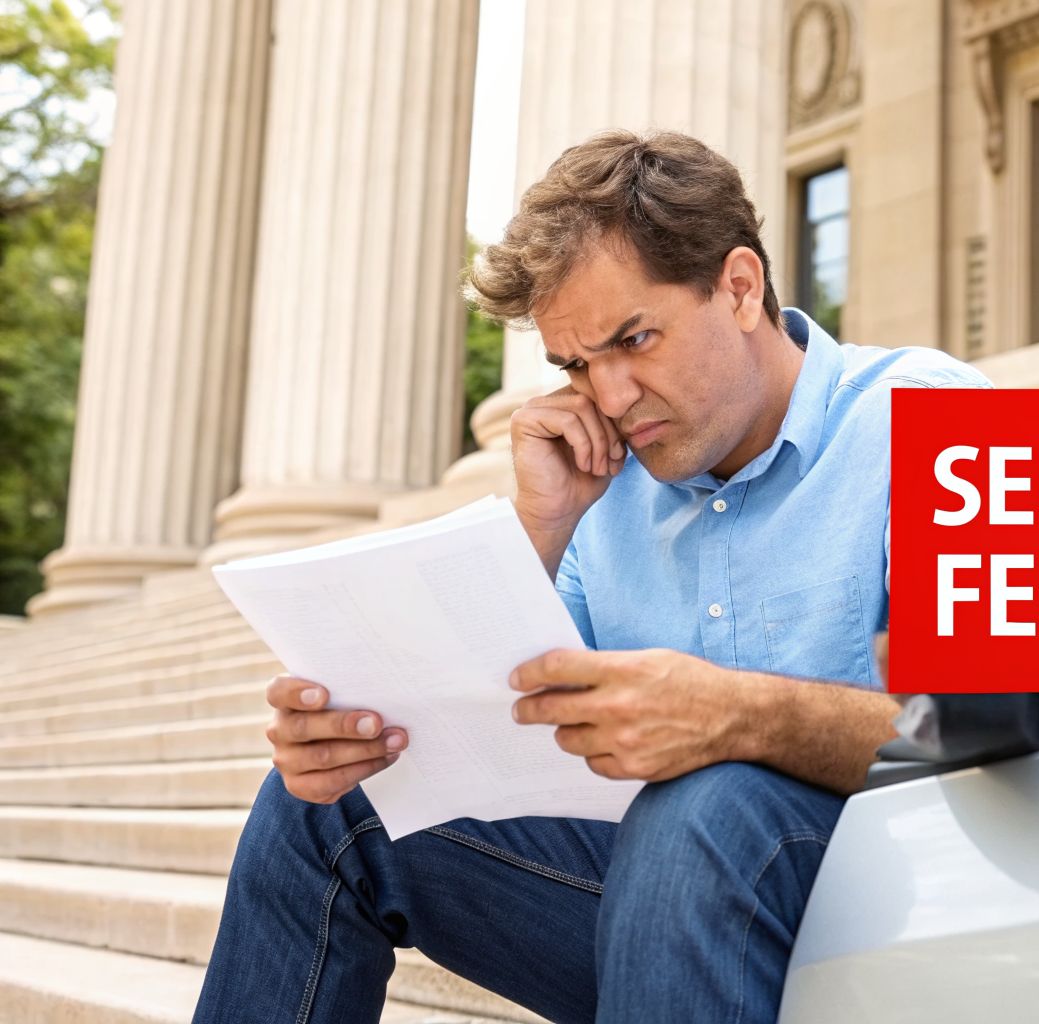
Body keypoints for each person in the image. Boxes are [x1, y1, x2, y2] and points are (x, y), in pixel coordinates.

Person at [193, 129, 990, 1024]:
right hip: (669, 903)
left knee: (706, 800)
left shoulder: (932, 413)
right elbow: (509, 736)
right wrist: (538, 531)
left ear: (739, 287)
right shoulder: (605, 486)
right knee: (330, 804)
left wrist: (735, 715)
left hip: (905, 899)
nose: (608, 398)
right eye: (576, 364)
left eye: (634, 340)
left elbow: (1002, 738)